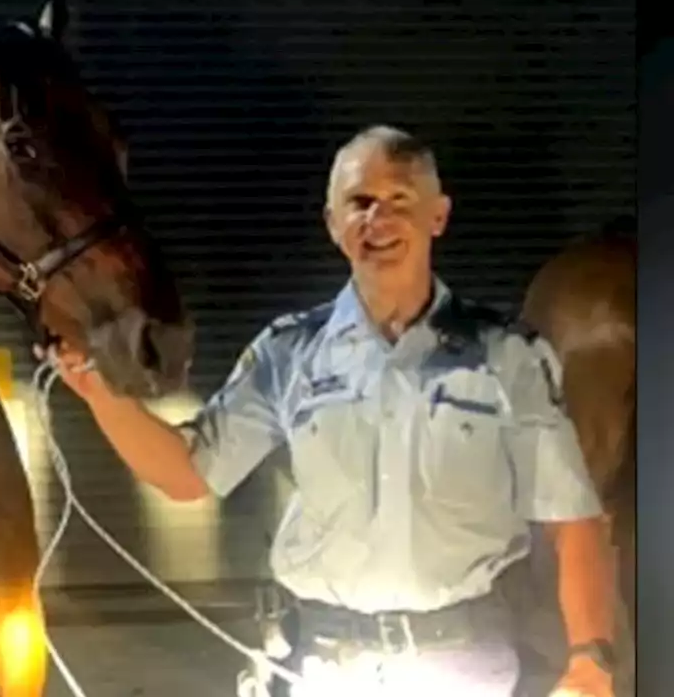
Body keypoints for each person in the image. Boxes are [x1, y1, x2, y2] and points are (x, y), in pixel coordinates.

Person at [52, 126, 616, 697]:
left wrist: (590, 662)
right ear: (333, 223)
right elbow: (188, 472)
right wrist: (102, 394)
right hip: (323, 668)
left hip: (463, 668)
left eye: (400, 200)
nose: (379, 219)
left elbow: (573, 521)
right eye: (360, 202)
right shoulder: (288, 352)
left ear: (438, 216)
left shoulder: (506, 354)